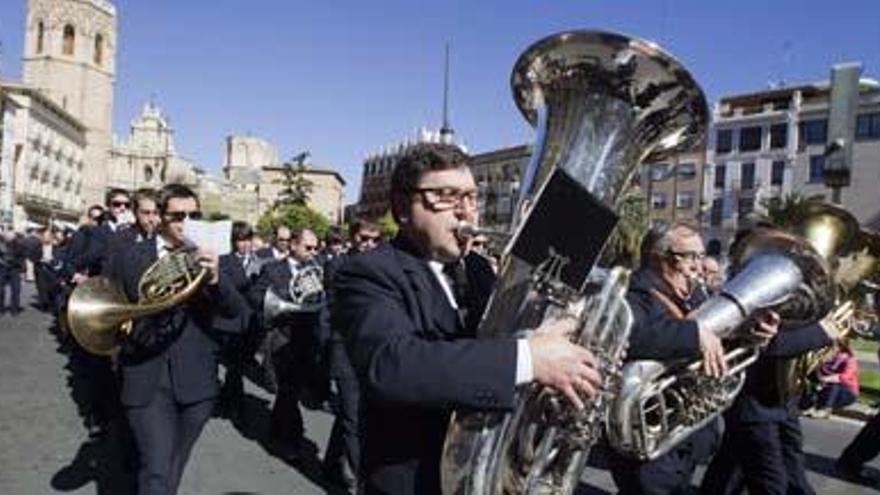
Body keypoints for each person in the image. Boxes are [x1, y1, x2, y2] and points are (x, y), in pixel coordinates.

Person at [332, 142, 602, 494]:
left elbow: (502, 336)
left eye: (472, 197)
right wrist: (528, 357)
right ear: (401, 208)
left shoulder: (476, 268)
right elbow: (391, 365)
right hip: (416, 478)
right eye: (447, 196)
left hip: (489, 469)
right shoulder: (369, 271)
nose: (466, 212)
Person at [607, 222, 774, 495]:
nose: (700, 264)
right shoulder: (633, 293)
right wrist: (694, 332)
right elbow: (633, 335)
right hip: (647, 436)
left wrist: (751, 336)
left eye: (701, 254)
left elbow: (716, 343)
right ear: (660, 258)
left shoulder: (695, 294)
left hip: (686, 433)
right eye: (691, 256)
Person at [104, 183, 249, 495]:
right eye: (177, 215)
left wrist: (215, 279)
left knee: (171, 471)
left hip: (197, 384)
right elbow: (111, 310)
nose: (187, 222)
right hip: (146, 377)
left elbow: (240, 317)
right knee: (156, 471)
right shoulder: (130, 257)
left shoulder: (219, 257)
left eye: (194, 214)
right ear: (159, 218)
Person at [250, 227, 324, 462]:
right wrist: (284, 300)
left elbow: (321, 300)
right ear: (293, 245)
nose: (313, 252)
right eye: (308, 247)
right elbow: (255, 296)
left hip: (307, 337)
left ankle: (279, 434)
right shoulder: (273, 268)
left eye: (315, 248)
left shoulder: (316, 270)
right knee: (287, 391)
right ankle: (288, 440)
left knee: (291, 391)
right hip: (282, 336)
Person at [322, 218, 383, 491]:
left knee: (349, 416)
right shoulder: (339, 265)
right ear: (353, 237)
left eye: (375, 240)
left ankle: (330, 466)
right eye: (364, 239)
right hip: (346, 349)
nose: (369, 245)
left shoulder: (379, 265)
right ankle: (362, 484)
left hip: (369, 350)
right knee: (354, 420)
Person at [217, 221, 258, 422]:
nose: (245, 244)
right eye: (241, 240)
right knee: (234, 367)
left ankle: (231, 400)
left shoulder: (260, 261)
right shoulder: (224, 260)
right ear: (233, 242)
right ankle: (233, 404)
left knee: (239, 366)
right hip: (229, 322)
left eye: (248, 240)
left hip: (250, 322)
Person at [800, 343, 859, 418]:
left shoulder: (849, 359)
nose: (827, 349)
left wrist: (825, 379)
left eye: (831, 347)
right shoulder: (823, 358)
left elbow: (845, 377)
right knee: (809, 382)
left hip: (847, 393)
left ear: (840, 347)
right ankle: (806, 405)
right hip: (825, 388)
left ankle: (825, 410)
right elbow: (814, 372)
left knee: (834, 385)